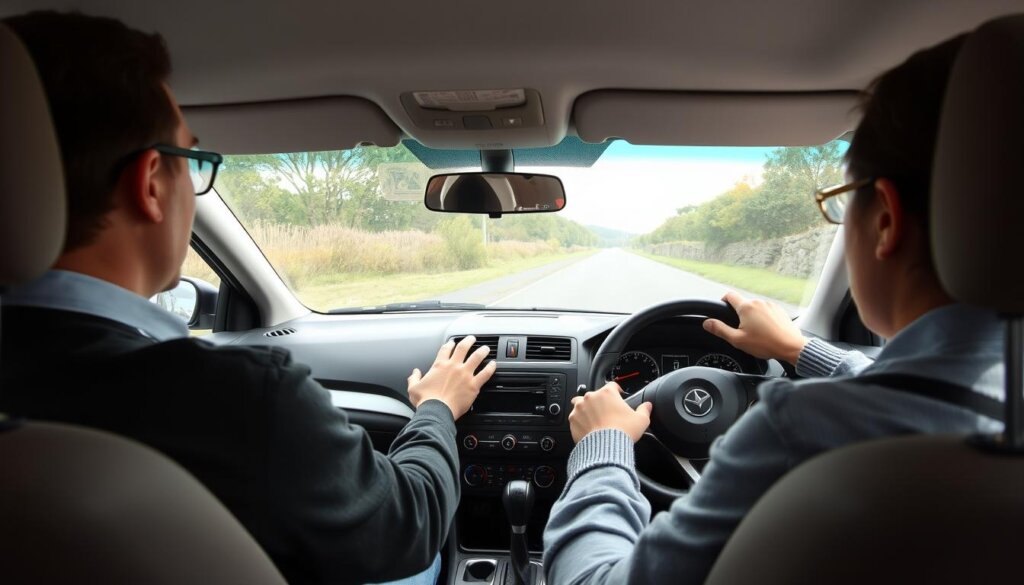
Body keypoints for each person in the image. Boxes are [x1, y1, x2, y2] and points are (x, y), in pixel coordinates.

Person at [0, 11, 496, 585]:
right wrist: (437, 407)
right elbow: (410, 525)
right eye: (192, 160)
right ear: (152, 183)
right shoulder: (236, 400)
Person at [543, 32, 1005, 585]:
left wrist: (603, 446)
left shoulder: (801, 431)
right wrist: (796, 348)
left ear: (885, 219)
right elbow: (918, 387)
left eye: (843, 203)